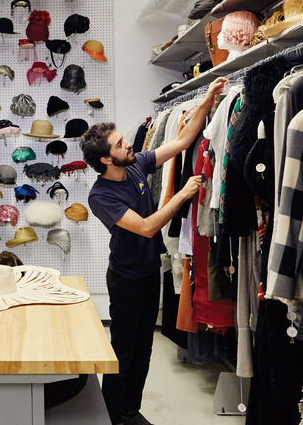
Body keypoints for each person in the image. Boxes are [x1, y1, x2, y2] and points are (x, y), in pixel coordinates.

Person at [80, 77, 227, 425]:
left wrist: (206, 99)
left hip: (149, 275)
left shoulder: (135, 165)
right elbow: (146, 226)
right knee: (124, 352)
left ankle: (131, 410)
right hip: (126, 280)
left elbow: (180, 140)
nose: (128, 143)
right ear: (106, 158)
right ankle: (113, 414)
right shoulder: (100, 196)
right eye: (119, 143)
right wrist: (182, 195)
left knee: (145, 350)